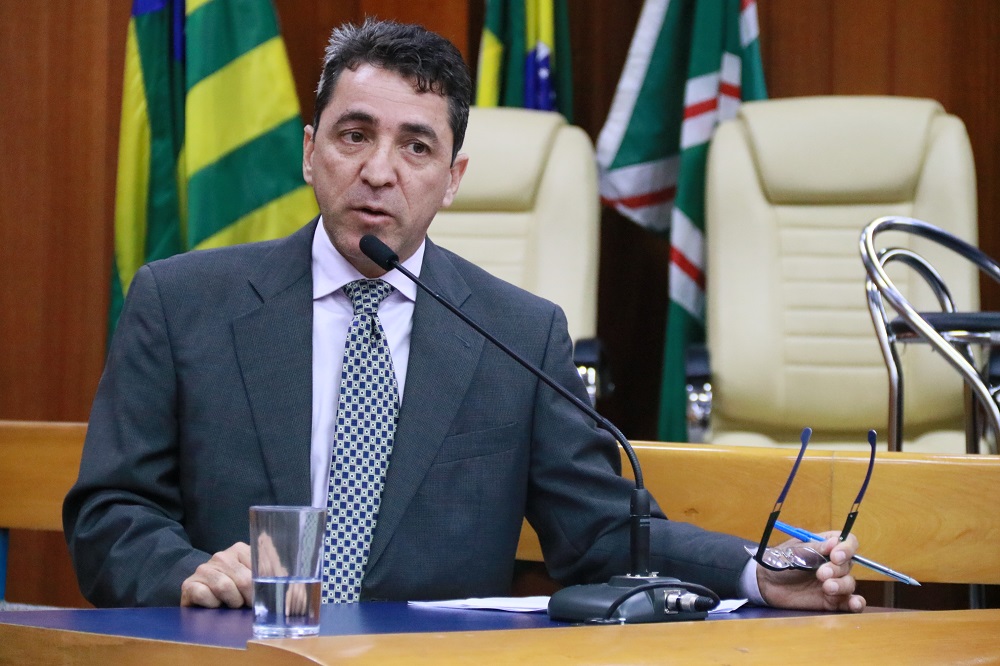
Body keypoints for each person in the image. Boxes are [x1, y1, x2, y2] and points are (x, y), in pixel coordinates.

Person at [63, 18, 865, 613]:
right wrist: (184, 572)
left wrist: (759, 572)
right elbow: (109, 512)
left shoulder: (518, 335)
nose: (378, 171)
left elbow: (601, 531)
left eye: (416, 147)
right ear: (310, 151)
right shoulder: (181, 304)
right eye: (353, 135)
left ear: (453, 178)